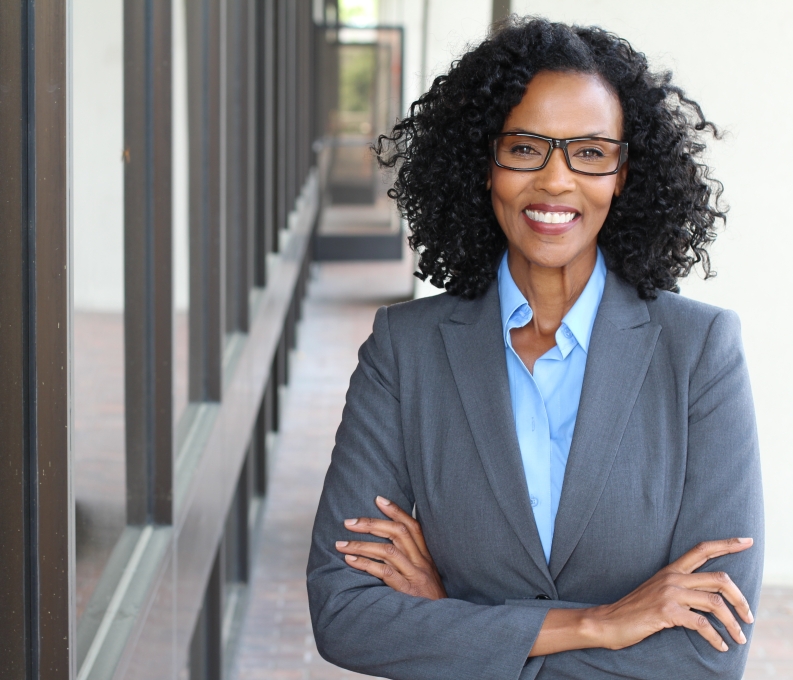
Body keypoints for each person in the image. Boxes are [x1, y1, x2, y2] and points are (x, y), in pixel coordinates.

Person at [306, 17, 764, 680]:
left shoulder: (699, 354)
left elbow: (707, 654)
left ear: (623, 173)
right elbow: (344, 614)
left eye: (590, 153)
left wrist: (453, 621)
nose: (555, 181)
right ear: (483, 163)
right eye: (524, 148)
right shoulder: (404, 352)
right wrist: (596, 624)